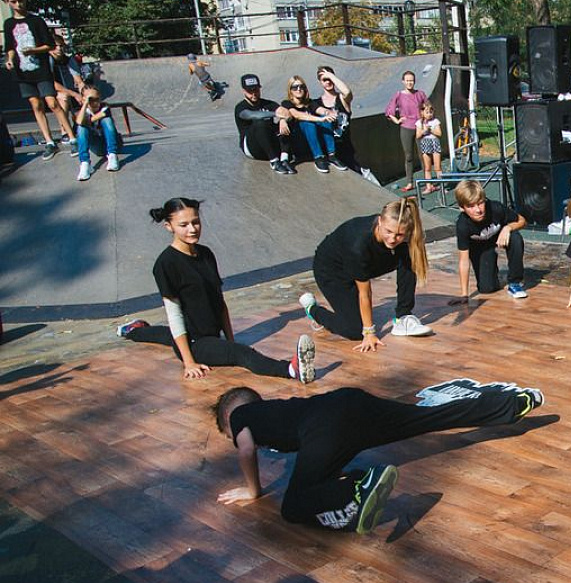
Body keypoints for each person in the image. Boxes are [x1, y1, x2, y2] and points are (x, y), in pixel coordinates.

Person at [212, 380, 544, 534]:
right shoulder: (275, 410)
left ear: (230, 417)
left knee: (293, 507)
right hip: (350, 405)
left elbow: (244, 450)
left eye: (227, 434)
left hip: (327, 426)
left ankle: (359, 486)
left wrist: (253, 490)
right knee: (424, 418)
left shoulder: (243, 416)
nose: (235, 439)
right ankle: (511, 404)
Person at [117, 198, 315, 384]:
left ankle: (135, 330)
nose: (192, 229)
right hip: (196, 343)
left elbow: (219, 302)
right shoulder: (166, 264)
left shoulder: (206, 254)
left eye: (196, 222)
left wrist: (230, 340)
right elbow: (174, 314)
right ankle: (291, 369)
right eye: (183, 225)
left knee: (165, 335)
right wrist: (189, 362)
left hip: (210, 332)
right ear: (169, 226)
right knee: (241, 354)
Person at [300, 198, 434, 351]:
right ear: (379, 221)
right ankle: (312, 309)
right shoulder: (359, 244)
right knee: (354, 330)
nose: (392, 238)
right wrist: (369, 332)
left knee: (409, 255)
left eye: (399, 234)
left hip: (367, 261)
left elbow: (407, 254)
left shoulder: (402, 236)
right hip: (332, 269)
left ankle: (403, 317)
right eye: (388, 232)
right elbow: (365, 293)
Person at [3, 0, 75, 160]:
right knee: (36, 105)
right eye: (14, 1)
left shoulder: (36, 21)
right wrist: (10, 60)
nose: (18, 5)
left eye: (20, 1)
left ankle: (72, 137)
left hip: (40, 69)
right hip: (22, 71)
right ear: (8, 3)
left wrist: (33, 50)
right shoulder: (8, 23)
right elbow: (10, 46)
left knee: (52, 103)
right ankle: (49, 142)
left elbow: (49, 45)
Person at [451, 180, 528, 301]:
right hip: (480, 248)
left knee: (515, 238)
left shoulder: (495, 208)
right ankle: (493, 271)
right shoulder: (462, 225)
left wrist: (508, 227)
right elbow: (463, 260)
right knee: (486, 288)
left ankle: (515, 282)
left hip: (500, 237)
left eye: (480, 203)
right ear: (462, 208)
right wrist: (464, 294)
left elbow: (522, 220)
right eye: (471, 206)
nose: (478, 210)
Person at [233, 73, 295, 175]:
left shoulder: (268, 103)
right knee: (260, 123)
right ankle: (274, 162)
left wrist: (283, 120)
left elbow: (286, 112)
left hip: (270, 144)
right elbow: (252, 115)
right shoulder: (241, 107)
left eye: (256, 90)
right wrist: (275, 114)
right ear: (243, 91)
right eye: (250, 91)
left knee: (290, 121)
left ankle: (284, 158)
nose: (254, 94)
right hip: (252, 148)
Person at [280, 75, 340, 174]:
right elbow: (297, 115)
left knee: (326, 121)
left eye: (301, 86)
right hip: (297, 143)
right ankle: (318, 158)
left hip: (312, 141)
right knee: (308, 123)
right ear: (290, 90)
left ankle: (332, 155)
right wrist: (319, 119)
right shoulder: (286, 103)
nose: (299, 89)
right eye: (295, 87)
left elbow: (320, 110)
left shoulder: (309, 103)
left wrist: (329, 113)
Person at [386, 70, 428, 193]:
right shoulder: (399, 95)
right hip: (406, 127)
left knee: (423, 155)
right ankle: (410, 182)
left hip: (420, 127)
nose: (410, 83)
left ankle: (427, 182)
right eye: (407, 80)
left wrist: (425, 123)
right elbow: (389, 111)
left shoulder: (420, 94)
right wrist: (397, 120)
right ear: (403, 82)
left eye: (412, 80)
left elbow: (429, 108)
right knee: (409, 156)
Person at [73, 86, 121, 181]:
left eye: (97, 99)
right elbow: (78, 122)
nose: (95, 103)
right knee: (81, 128)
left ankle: (112, 156)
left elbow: (99, 116)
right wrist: (85, 104)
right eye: (91, 100)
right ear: (83, 100)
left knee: (106, 120)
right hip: (97, 146)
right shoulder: (80, 112)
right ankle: (85, 163)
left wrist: (84, 121)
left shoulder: (105, 107)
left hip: (111, 142)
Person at [315, 65, 353, 170]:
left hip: (345, 148)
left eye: (330, 79)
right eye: (324, 79)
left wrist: (330, 76)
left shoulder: (342, 98)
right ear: (320, 82)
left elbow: (347, 92)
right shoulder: (316, 103)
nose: (328, 82)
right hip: (327, 151)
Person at [415, 101, 442, 193]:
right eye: (427, 112)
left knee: (437, 167)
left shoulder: (435, 121)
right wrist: (424, 131)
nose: (429, 114)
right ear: (422, 113)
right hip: (425, 143)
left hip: (434, 142)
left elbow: (439, 133)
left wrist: (431, 130)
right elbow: (418, 136)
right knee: (427, 167)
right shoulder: (419, 123)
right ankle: (428, 186)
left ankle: (442, 186)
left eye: (431, 112)